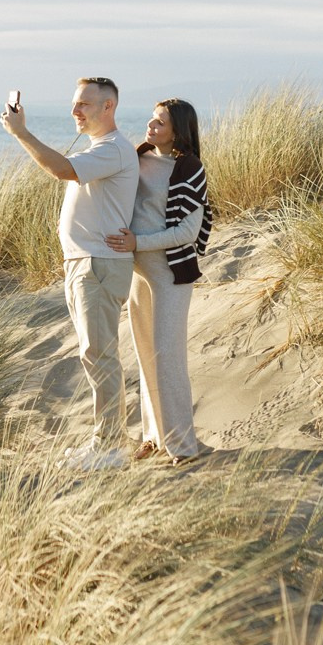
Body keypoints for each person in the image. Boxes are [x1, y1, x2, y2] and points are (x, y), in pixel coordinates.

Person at [2, 77, 141, 469]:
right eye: (74, 104)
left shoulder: (112, 149)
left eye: (84, 104)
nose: (75, 111)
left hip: (97, 264)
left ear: (108, 107)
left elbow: (61, 169)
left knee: (99, 355)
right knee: (94, 355)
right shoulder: (102, 149)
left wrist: (21, 133)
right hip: (85, 263)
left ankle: (111, 447)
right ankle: (106, 441)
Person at [105, 97, 212, 461]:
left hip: (170, 274)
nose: (151, 126)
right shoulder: (137, 158)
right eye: (152, 119)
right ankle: (154, 437)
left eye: (160, 122)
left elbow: (188, 230)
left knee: (168, 359)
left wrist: (140, 242)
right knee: (146, 357)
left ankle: (183, 447)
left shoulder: (188, 167)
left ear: (177, 130)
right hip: (137, 273)